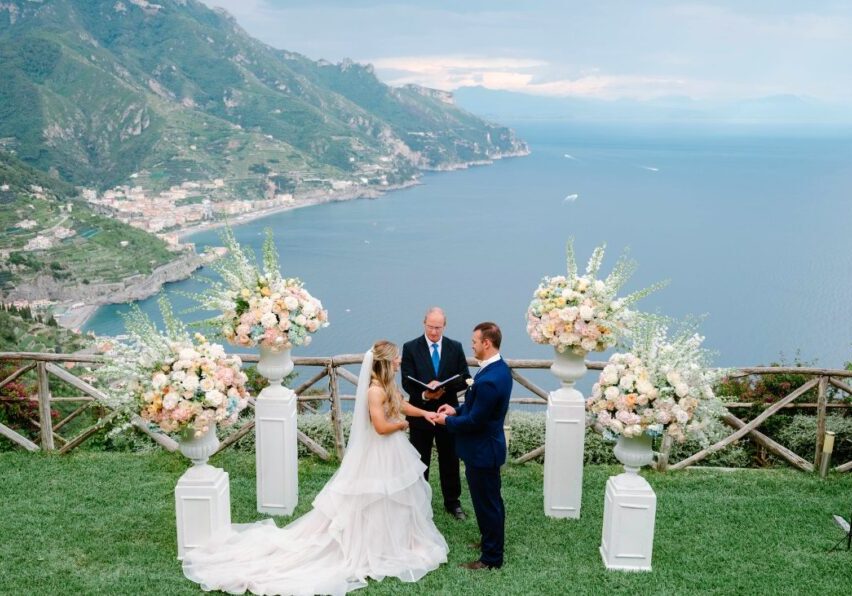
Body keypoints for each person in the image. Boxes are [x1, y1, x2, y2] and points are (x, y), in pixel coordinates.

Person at [183, 340, 448, 595]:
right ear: (385, 363)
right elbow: (380, 427)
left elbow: (401, 404)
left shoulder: (386, 385)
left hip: (392, 452)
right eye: (397, 359)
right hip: (379, 452)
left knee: (391, 498)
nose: (400, 362)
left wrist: (423, 413)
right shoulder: (374, 391)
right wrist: (404, 425)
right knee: (372, 498)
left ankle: (390, 541)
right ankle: (369, 545)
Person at [437, 322, 512, 570]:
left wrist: (447, 420)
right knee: (490, 501)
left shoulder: (490, 379)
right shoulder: (496, 369)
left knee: (487, 503)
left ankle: (491, 559)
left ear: (486, 343)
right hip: (485, 449)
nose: (472, 345)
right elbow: (476, 408)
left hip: (483, 451)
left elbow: (476, 421)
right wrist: (455, 409)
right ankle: (490, 542)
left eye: (475, 342)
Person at [401, 307, 471, 520]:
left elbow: (465, 378)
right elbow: (406, 381)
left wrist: (444, 388)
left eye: (438, 327)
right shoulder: (410, 347)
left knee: (450, 458)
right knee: (420, 459)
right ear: (424, 324)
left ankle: (453, 502)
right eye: (430, 327)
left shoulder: (455, 347)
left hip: (447, 413)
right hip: (420, 413)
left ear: (444, 326)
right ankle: (419, 502)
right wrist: (425, 394)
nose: (433, 332)